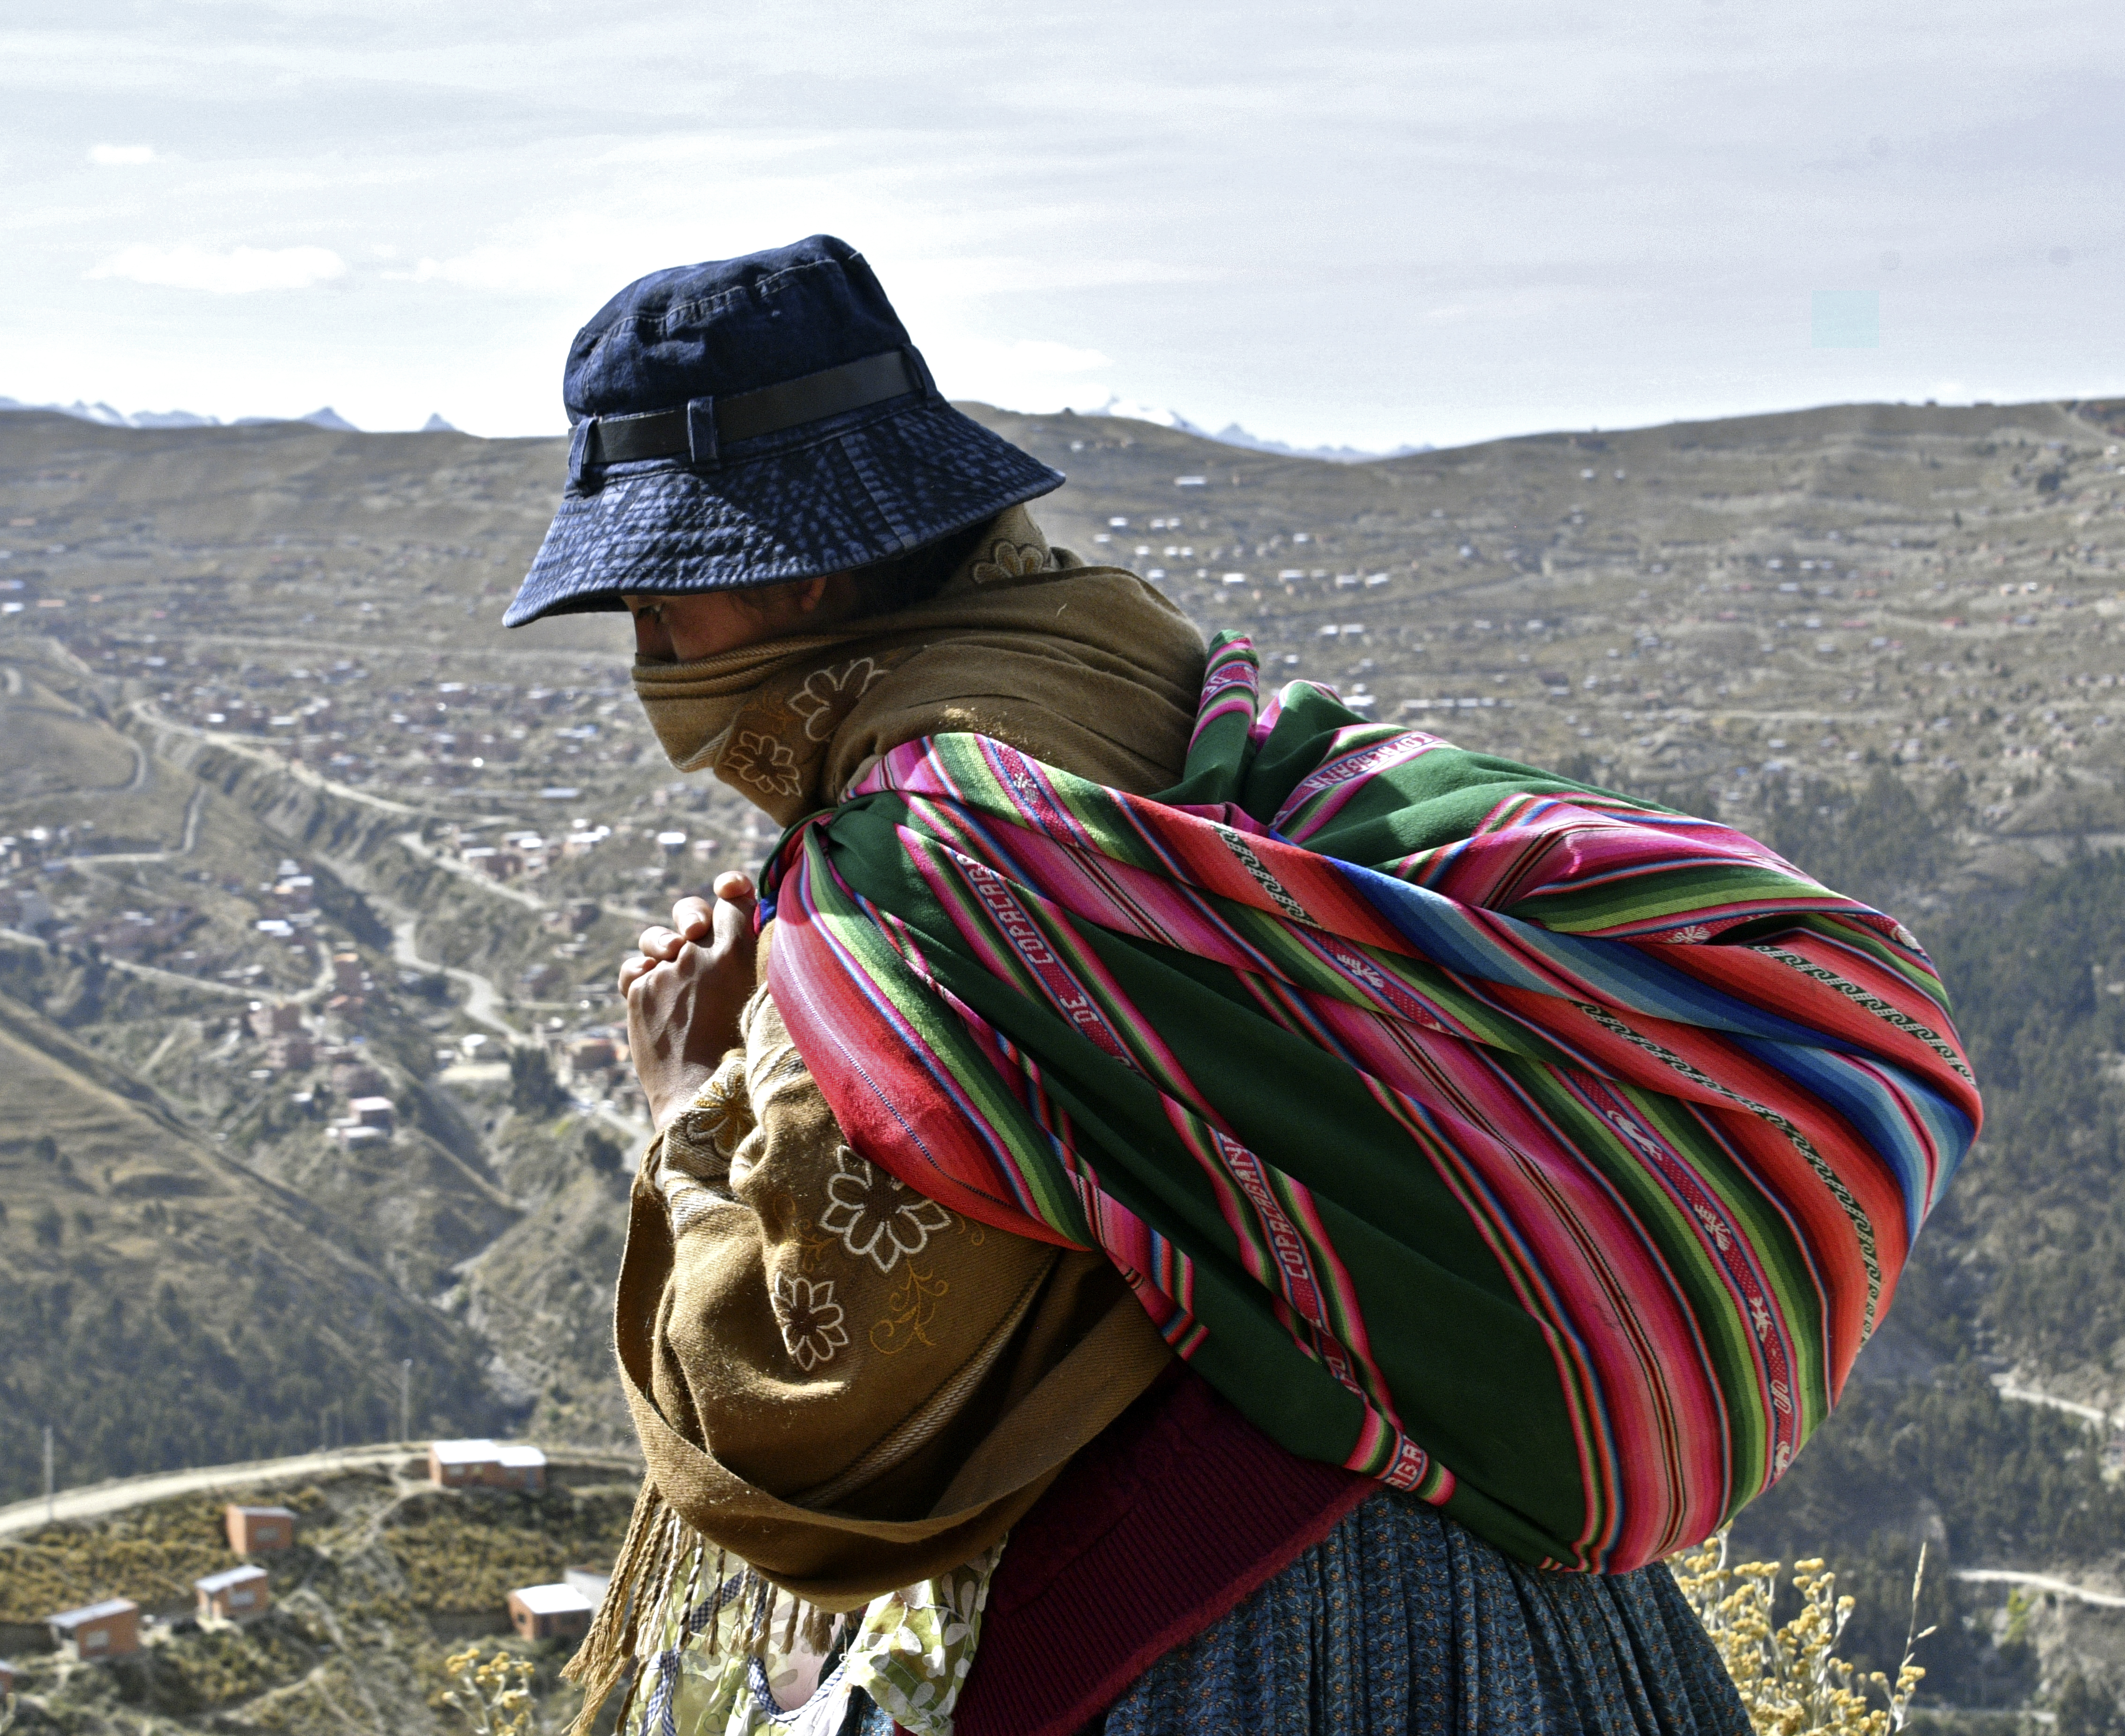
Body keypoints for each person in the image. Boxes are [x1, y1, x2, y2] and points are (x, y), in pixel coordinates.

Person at [501, 236, 1979, 1736]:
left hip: (1228, 1630)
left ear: (790, 568)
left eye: (658, 601)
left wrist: (694, 1100)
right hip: (1536, 1609)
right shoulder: (1170, 694)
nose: (649, 653)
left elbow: (809, 1408)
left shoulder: (935, 860)